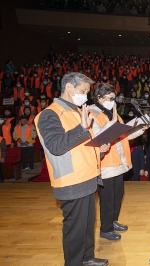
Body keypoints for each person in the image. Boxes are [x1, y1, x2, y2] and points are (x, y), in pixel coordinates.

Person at [34, 73, 110, 266]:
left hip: (88, 177)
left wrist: (99, 150)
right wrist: (82, 129)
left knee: (86, 225)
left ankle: (88, 258)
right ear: (69, 87)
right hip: (71, 181)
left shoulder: (76, 111)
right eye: (83, 90)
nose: (85, 95)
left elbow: (81, 146)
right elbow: (56, 146)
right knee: (75, 230)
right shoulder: (50, 114)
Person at [89, 83, 148, 241]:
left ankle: (112, 221)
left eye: (114, 98)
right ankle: (105, 228)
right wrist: (112, 123)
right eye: (110, 98)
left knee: (118, 195)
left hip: (118, 163)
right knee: (107, 198)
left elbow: (124, 136)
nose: (113, 101)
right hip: (106, 163)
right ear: (99, 98)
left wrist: (140, 128)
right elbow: (97, 138)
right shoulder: (92, 113)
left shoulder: (112, 113)